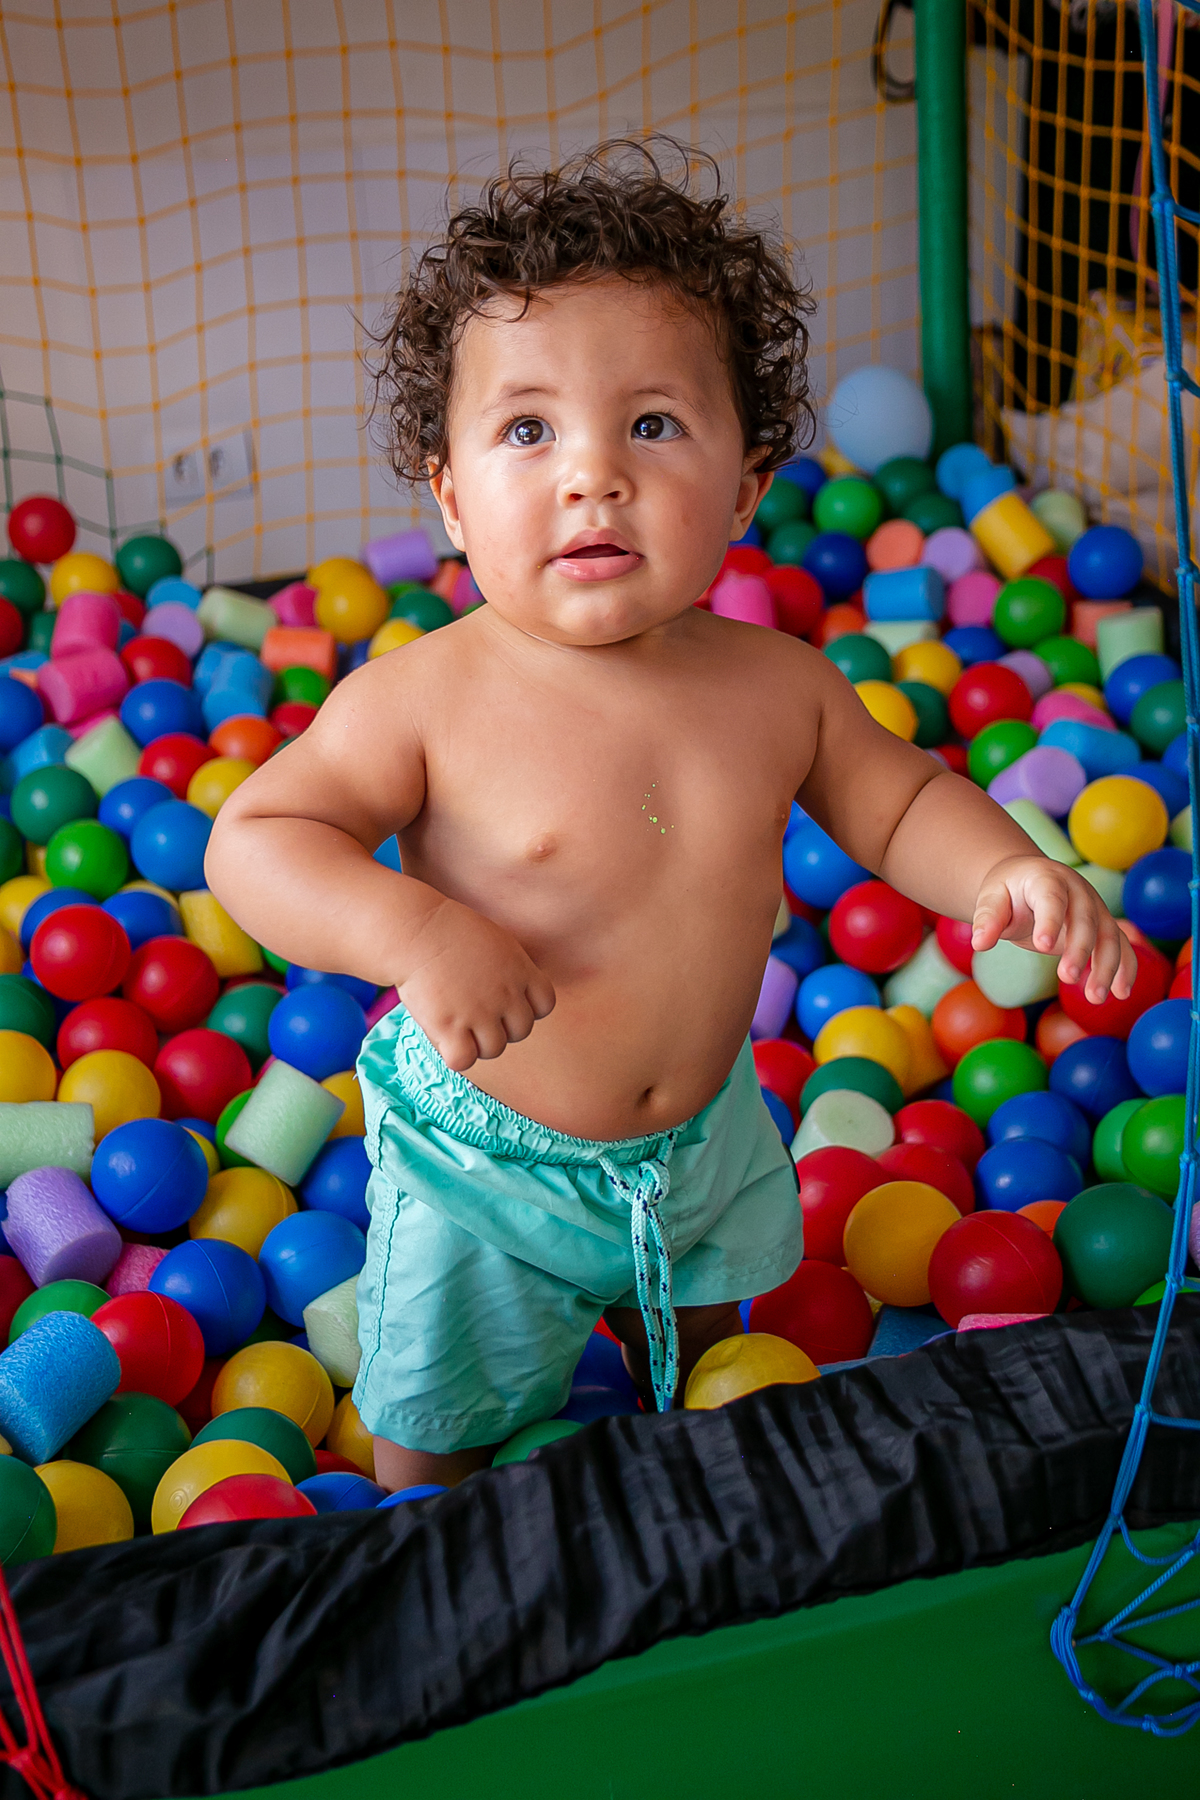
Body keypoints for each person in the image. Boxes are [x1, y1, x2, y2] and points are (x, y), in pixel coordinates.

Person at [206, 140, 1133, 1492]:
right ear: (452, 498)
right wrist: (417, 937)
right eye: (529, 430)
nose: (594, 475)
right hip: (491, 1174)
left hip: (704, 1139)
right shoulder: (422, 700)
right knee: (431, 1445)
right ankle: (429, 1578)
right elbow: (256, 840)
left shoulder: (776, 686)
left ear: (748, 488)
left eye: (652, 424)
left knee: (710, 1382)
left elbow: (899, 804)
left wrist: (1007, 867)